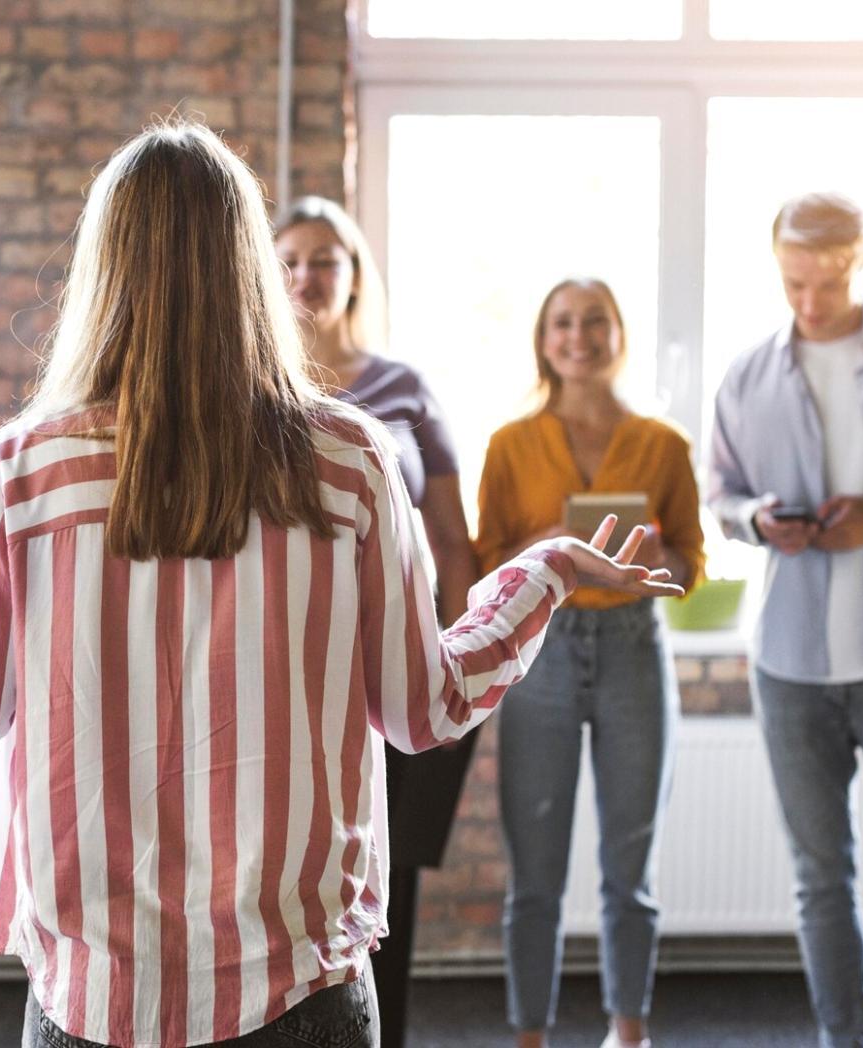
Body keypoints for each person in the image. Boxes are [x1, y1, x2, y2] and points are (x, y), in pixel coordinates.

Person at [0, 122, 683, 1048]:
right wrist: (544, 572)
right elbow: (426, 708)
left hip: (94, 1000)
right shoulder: (349, 461)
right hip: (304, 990)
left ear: (104, 270)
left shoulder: (24, 469)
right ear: (252, 266)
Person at [709, 192, 863, 1048]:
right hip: (791, 670)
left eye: (828, 282)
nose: (811, 303)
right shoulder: (745, 376)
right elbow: (720, 497)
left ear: (861, 261)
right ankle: (842, 1041)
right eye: (793, 284)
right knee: (822, 883)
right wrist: (757, 521)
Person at [476, 278, 703, 1048]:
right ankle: (530, 1036)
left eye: (595, 321)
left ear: (618, 333)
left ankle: (628, 1032)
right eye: (564, 323)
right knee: (534, 875)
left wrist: (651, 551)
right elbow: (485, 568)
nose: (579, 336)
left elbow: (692, 564)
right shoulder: (510, 444)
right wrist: (546, 543)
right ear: (544, 340)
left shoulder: (664, 445)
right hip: (542, 650)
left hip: (635, 649)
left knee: (628, 870)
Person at [274, 195, 479, 1046]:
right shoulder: (259, 384)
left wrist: (456, 661)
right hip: (299, 670)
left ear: (356, 276)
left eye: (327, 259)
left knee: (385, 880)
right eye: (289, 259)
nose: (308, 275)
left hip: (394, 661)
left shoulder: (404, 389)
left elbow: (452, 540)